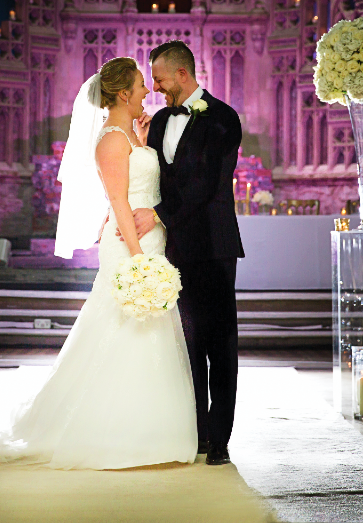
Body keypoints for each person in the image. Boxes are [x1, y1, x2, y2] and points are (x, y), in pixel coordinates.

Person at [0, 57, 197, 469]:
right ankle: (111, 430)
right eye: (141, 85)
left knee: (153, 328)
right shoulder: (110, 139)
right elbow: (119, 201)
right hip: (130, 245)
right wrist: (139, 260)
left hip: (151, 239)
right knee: (122, 325)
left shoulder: (135, 134)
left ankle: (154, 430)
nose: (147, 91)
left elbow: (144, 184)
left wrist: (144, 142)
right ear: (124, 93)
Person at [131, 40, 244, 466]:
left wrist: (158, 214)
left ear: (182, 73)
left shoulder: (223, 118)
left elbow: (208, 184)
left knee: (220, 343)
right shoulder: (159, 120)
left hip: (213, 246)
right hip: (173, 247)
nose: (156, 87)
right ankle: (195, 432)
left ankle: (219, 437)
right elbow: (159, 174)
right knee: (187, 341)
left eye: (158, 78)